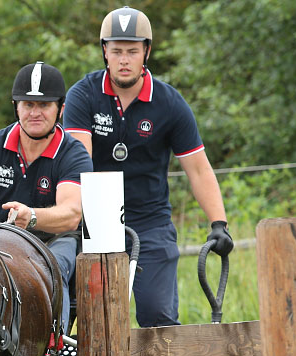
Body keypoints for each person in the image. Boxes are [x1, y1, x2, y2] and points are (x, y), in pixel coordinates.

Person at [63, 6, 233, 327]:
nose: (124, 60)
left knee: (158, 316)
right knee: (93, 320)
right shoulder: (82, 96)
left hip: (151, 222)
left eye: (132, 51)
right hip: (96, 222)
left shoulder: (170, 103)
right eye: (116, 51)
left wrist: (219, 223)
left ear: (146, 52)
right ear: (105, 52)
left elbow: (198, 169)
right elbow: (79, 162)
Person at [0, 61, 93, 335]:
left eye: (44, 105)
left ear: (60, 108)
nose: (35, 113)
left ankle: (52, 346)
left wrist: (32, 216)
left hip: (54, 241)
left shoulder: (73, 153)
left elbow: (71, 214)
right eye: (28, 105)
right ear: (16, 106)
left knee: (52, 269)